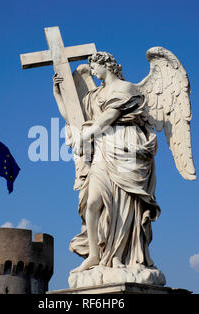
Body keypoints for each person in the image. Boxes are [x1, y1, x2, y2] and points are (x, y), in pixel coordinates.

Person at [53, 52, 161, 272]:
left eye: (93, 67)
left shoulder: (127, 88)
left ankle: (122, 255)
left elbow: (107, 117)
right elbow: (73, 118)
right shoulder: (95, 95)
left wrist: (86, 135)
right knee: (92, 203)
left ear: (106, 65)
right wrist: (57, 95)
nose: (91, 71)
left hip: (126, 145)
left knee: (124, 204)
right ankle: (94, 254)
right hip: (103, 148)